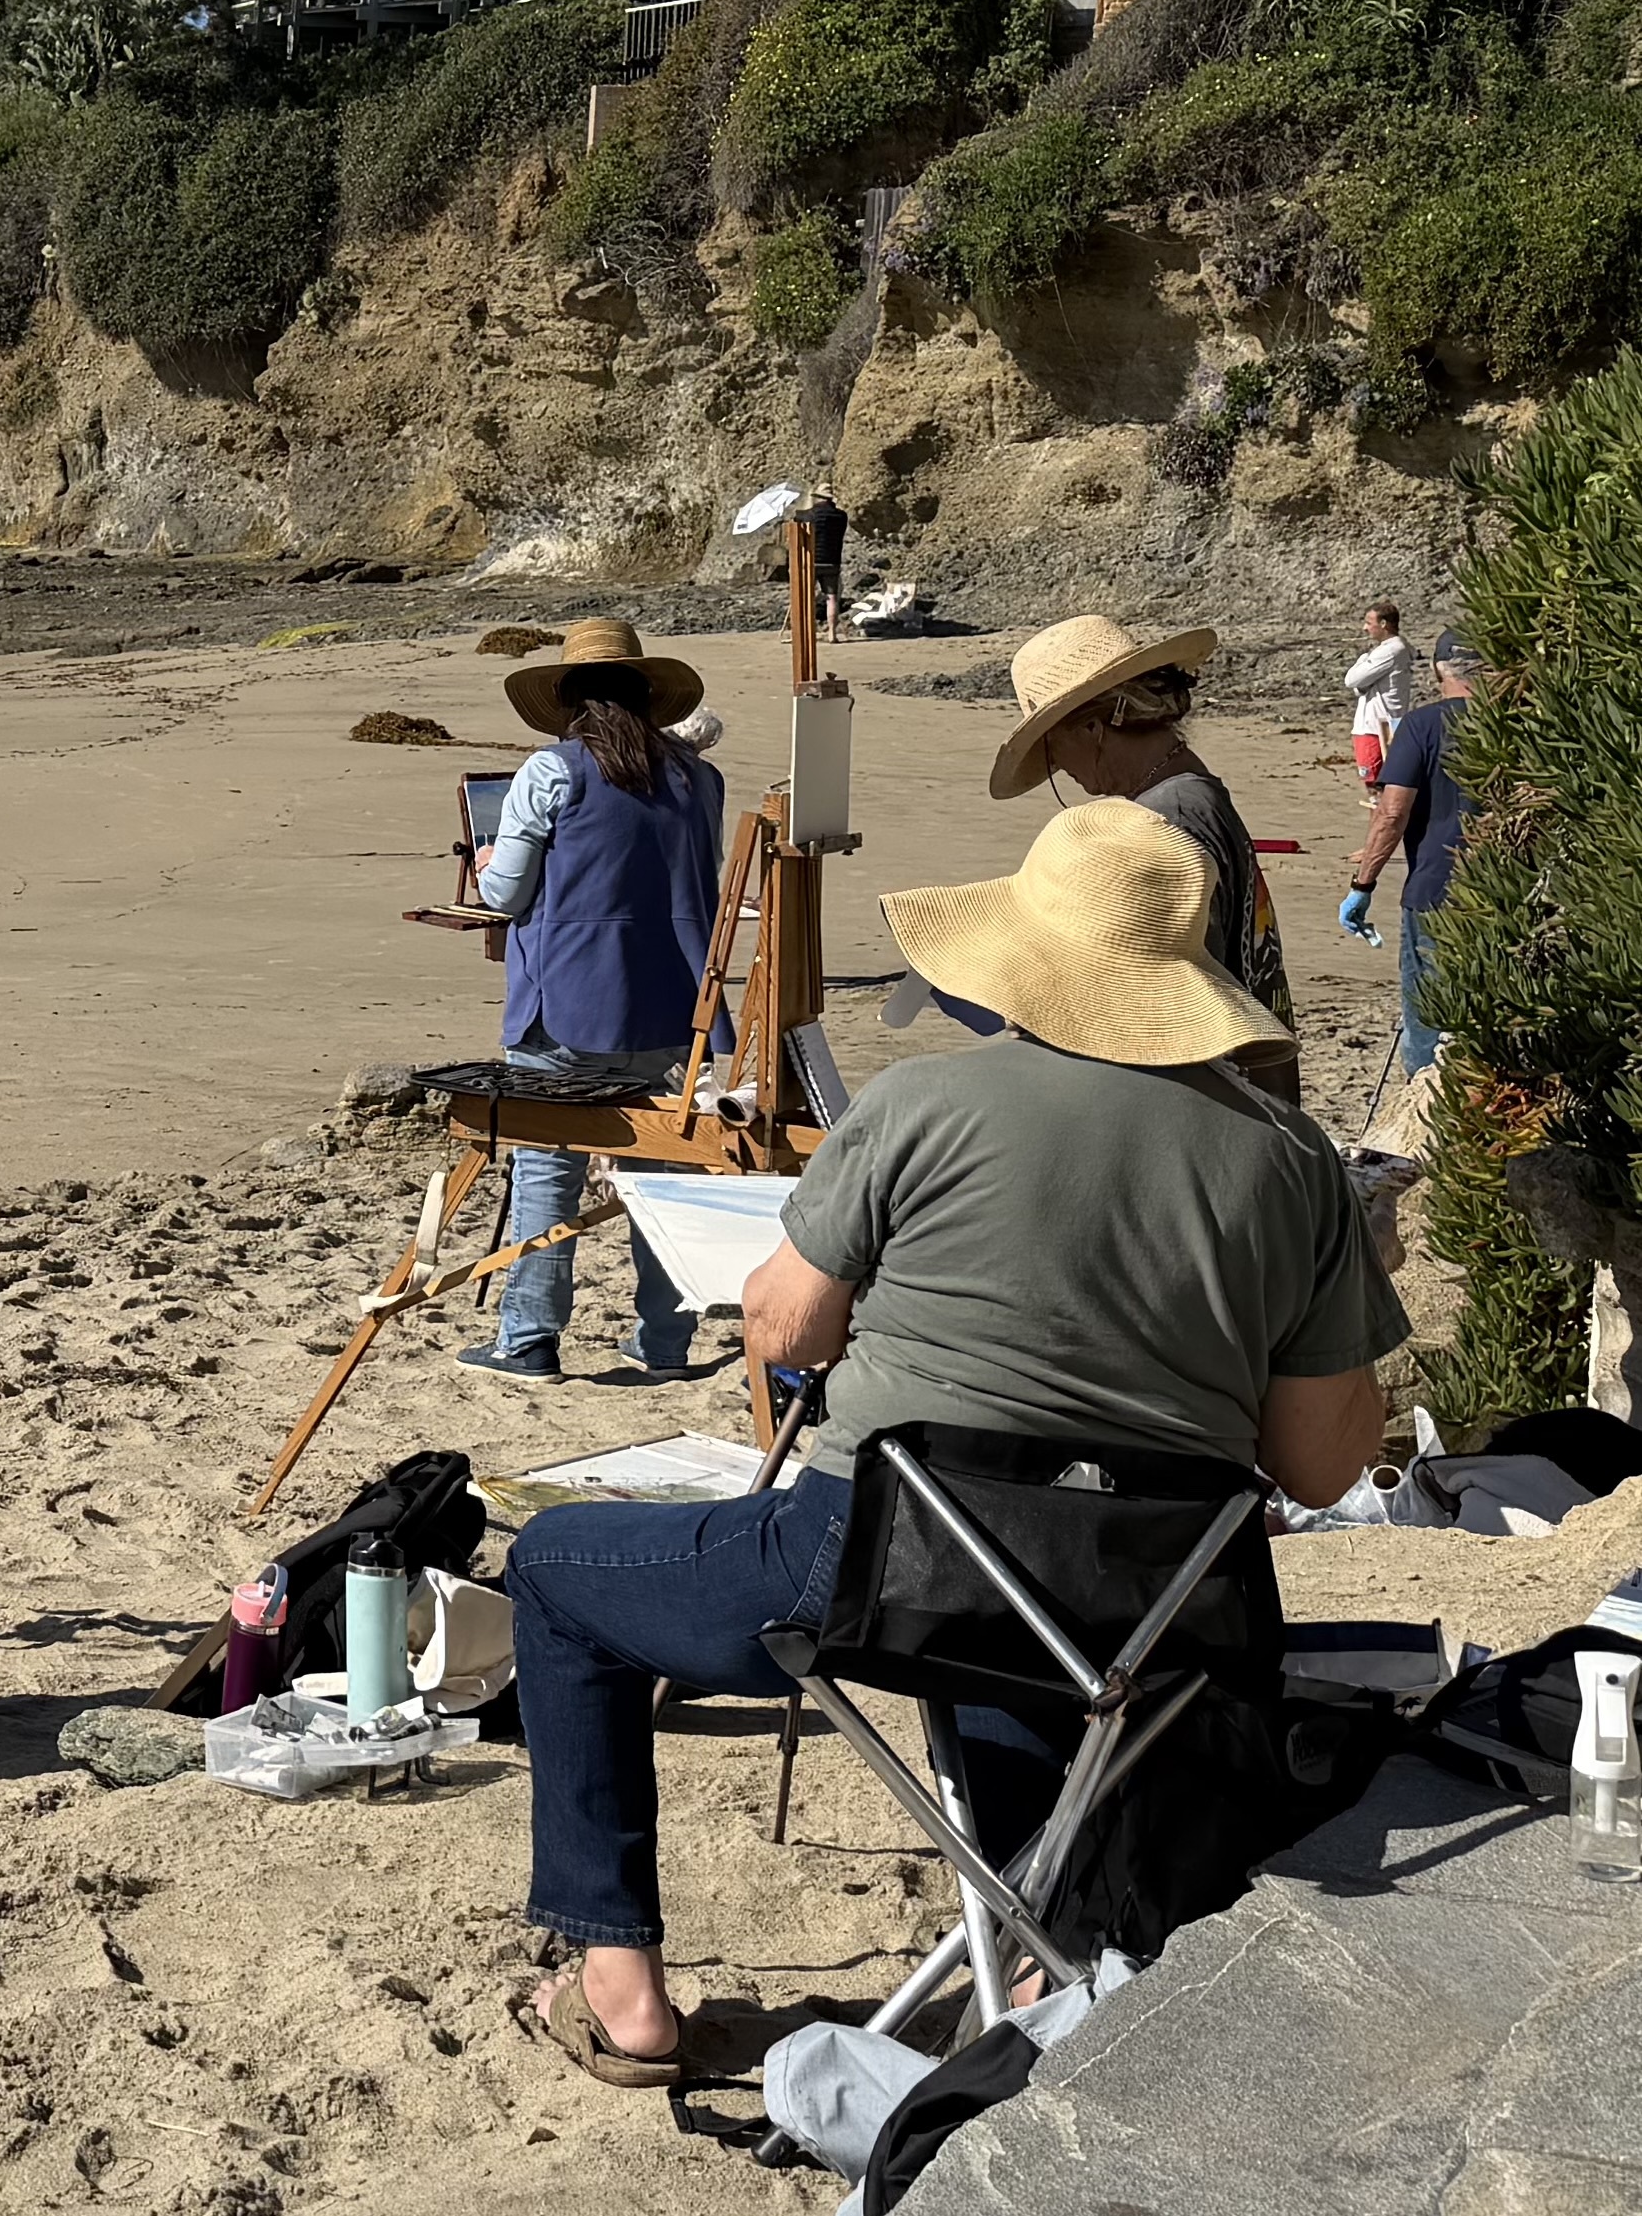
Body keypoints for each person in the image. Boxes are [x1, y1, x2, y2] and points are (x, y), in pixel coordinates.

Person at [506, 801, 1404, 2086]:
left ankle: (618, 1986)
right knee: (1035, 1626)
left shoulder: (926, 1101)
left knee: (553, 1568)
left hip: (892, 1569)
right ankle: (1043, 1957)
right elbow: (1320, 1468)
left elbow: (781, 1330)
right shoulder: (1289, 1160)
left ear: (1021, 962)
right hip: (1154, 1618)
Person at [458, 620, 727, 1385]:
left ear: (570, 703)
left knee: (547, 1166)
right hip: (674, 996)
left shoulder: (551, 772)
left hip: (566, 996)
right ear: (647, 698)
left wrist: (484, 864)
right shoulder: (697, 779)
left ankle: (529, 1338)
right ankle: (665, 1340)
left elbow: (505, 892)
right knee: (661, 1170)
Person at [988, 613, 1297, 1096]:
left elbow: (1159, 988)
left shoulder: (1165, 818)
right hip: (1247, 1088)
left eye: (1052, 745)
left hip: (1212, 1097)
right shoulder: (1193, 793)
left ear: (1092, 727)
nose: (1056, 766)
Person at [1345, 626, 1478, 1076]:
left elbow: (1391, 813)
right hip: (1509, 895)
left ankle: (1425, 1121)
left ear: (1439, 669)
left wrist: (1362, 884)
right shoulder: (1521, 727)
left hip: (1436, 891)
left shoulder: (1423, 725)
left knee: (1428, 1023)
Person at [1343, 602, 1416, 799]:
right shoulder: (1392, 649)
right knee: (1379, 789)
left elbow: (1351, 680)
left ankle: (1381, 829)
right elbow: (1360, 686)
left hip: (1375, 728)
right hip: (1380, 725)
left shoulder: (1390, 650)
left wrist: (1362, 659)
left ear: (1383, 624)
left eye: (1369, 622)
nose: (1365, 628)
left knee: (1376, 790)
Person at [805, 483, 849, 642]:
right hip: (832, 560)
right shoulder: (841, 516)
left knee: (807, 597)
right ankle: (832, 633)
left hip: (812, 560)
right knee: (832, 598)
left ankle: (809, 632)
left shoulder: (811, 514)